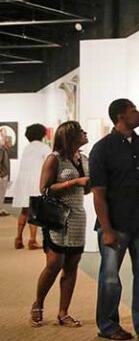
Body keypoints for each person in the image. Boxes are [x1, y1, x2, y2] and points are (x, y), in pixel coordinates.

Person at [89, 99, 139, 341]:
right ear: (121, 116)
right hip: (116, 225)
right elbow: (98, 193)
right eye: (134, 111)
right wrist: (107, 229)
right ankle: (108, 325)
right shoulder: (102, 149)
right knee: (110, 277)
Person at [29, 121, 90, 328]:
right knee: (54, 264)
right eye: (81, 132)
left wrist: (88, 184)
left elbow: (86, 190)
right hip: (57, 217)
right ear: (70, 137)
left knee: (72, 265)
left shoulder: (83, 159)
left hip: (78, 216)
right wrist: (73, 182)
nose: (85, 133)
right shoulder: (54, 159)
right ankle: (38, 303)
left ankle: (64, 312)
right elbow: (45, 189)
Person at [11, 124, 50, 249]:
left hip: (23, 180)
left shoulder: (27, 148)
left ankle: (18, 237)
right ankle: (32, 239)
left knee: (24, 210)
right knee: (35, 211)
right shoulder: (44, 147)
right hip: (35, 180)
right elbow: (49, 162)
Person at [0, 137, 10, 217]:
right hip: (2, 175)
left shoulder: (4, 150)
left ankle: (1, 208)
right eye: (9, 142)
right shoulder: (1, 149)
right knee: (1, 193)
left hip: (4, 174)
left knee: (2, 193)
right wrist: (1, 174)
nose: (11, 144)